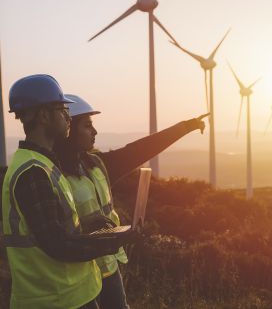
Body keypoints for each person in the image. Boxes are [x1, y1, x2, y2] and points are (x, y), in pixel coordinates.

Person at [53, 94, 208, 309]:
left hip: (108, 265)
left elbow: (141, 149)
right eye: (87, 126)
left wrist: (185, 127)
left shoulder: (97, 165)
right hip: (80, 274)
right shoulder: (53, 175)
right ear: (69, 130)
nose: (94, 131)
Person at [1, 75, 131, 309]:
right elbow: (57, 244)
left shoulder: (44, 165)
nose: (67, 118)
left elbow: (57, 228)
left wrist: (90, 224)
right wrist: (112, 242)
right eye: (62, 110)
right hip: (56, 299)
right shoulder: (33, 172)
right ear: (43, 116)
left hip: (71, 295)